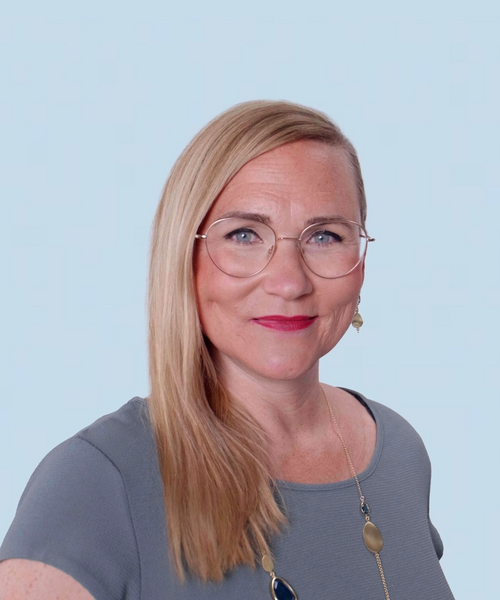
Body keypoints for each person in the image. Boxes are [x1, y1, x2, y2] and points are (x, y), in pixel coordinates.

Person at [0, 100, 455, 600]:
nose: (289, 281)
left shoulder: (398, 451)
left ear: (361, 261)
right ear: (184, 256)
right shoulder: (97, 481)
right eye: (244, 234)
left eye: (325, 236)